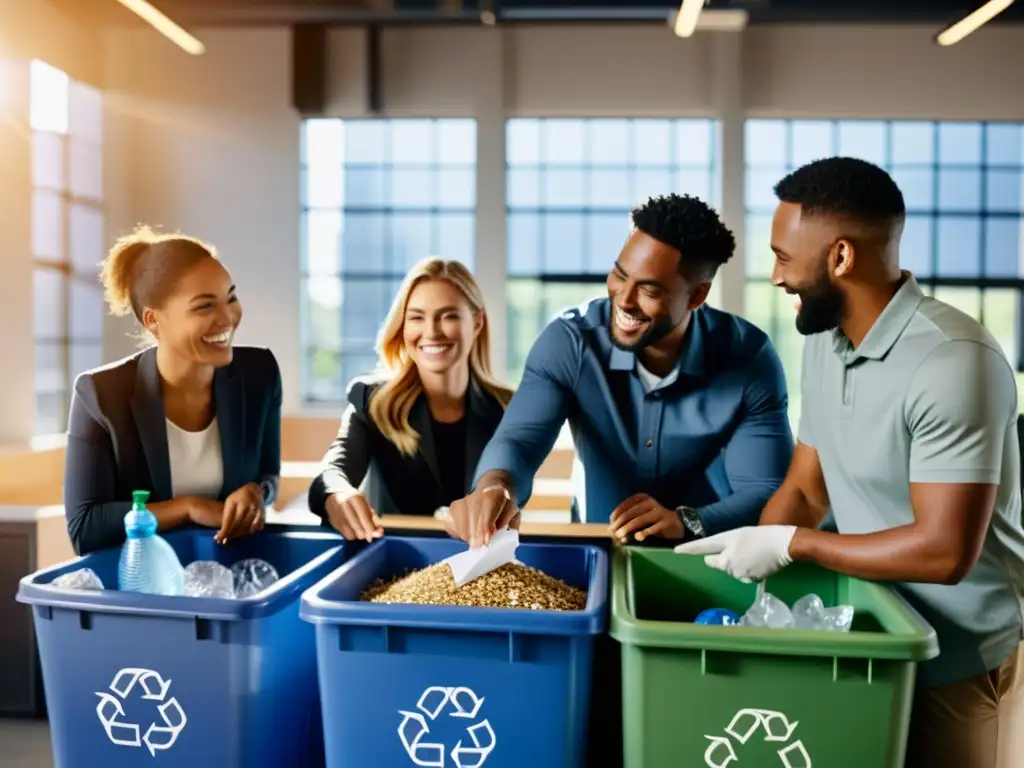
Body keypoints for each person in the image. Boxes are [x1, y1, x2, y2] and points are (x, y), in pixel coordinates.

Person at [676, 157, 1024, 768]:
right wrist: (742, 577)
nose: (776, 277)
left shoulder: (952, 362)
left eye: (784, 257)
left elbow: (944, 552)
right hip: (870, 640)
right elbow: (808, 492)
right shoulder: (826, 344)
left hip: (961, 665)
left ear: (839, 257)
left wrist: (793, 546)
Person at [445, 193, 795, 548]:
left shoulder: (749, 358)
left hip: (707, 555)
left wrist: (686, 521)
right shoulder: (570, 342)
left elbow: (766, 490)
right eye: (619, 275)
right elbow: (519, 440)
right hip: (597, 551)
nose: (623, 300)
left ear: (696, 296)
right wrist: (496, 486)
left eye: (648, 289)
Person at [64, 226, 282, 554]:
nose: (228, 318)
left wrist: (257, 493)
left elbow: (268, 476)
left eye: (231, 298)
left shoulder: (259, 374)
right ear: (153, 320)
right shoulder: (101, 394)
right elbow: (85, 526)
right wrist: (187, 507)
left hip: (235, 573)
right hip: (145, 580)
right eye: (205, 307)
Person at [307, 258, 514, 541]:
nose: (431, 332)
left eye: (448, 315)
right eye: (417, 317)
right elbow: (334, 470)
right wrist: (337, 493)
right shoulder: (372, 400)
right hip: (393, 568)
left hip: (479, 570)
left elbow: (513, 485)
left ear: (477, 323)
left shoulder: (508, 407)